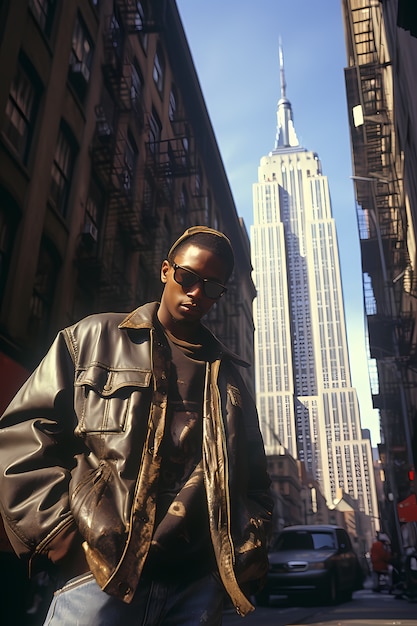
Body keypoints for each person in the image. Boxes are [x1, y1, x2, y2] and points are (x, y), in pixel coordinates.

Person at [0, 226, 273, 625]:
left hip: (196, 589)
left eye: (212, 288)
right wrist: (62, 541)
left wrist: (245, 553)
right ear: (166, 271)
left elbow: (255, 483)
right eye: (188, 278)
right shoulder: (93, 338)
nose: (196, 293)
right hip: (99, 578)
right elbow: (23, 434)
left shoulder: (230, 380)